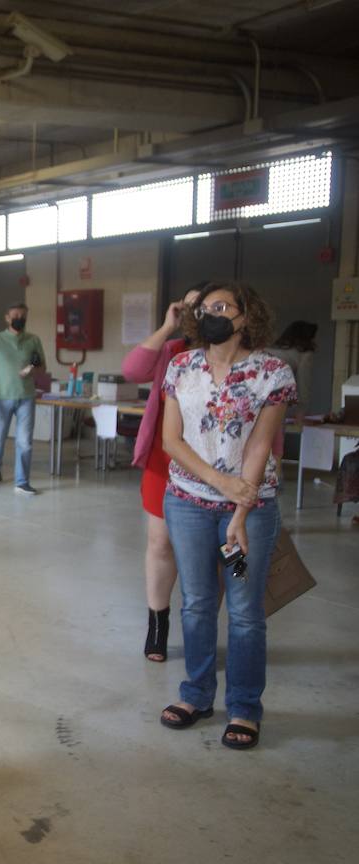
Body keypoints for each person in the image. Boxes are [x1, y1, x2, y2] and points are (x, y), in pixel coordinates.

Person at [159, 282, 294, 751]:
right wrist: (221, 485)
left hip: (246, 516)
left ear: (245, 316)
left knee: (243, 611)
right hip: (188, 507)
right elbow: (171, 441)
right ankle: (196, 695)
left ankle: (244, 707)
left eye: (223, 307)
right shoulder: (181, 367)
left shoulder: (272, 372)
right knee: (196, 603)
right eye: (206, 308)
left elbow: (259, 445)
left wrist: (240, 509)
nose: (212, 313)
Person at [121, 283, 204, 662]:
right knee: (160, 543)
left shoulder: (246, 360)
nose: (196, 315)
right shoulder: (172, 351)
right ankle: (158, 623)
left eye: (204, 308)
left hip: (217, 469)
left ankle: (204, 628)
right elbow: (132, 370)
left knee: (220, 555)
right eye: (187, 309)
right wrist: (167, 327)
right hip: (164, 463)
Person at [0, 303, 47, 496]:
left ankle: (22, 481)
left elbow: (42, 368)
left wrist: (32, 368)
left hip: (26, 396)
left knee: (25, 441)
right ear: (7, 318)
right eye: (15, 315)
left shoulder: (33, 340)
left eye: (23, 315)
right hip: (2, 397)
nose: (19, 318)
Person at [267, 320, 318, 423]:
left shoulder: (267, 350)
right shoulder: (304, 355)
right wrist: (301, 412)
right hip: (275, 403)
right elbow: (304, 385)